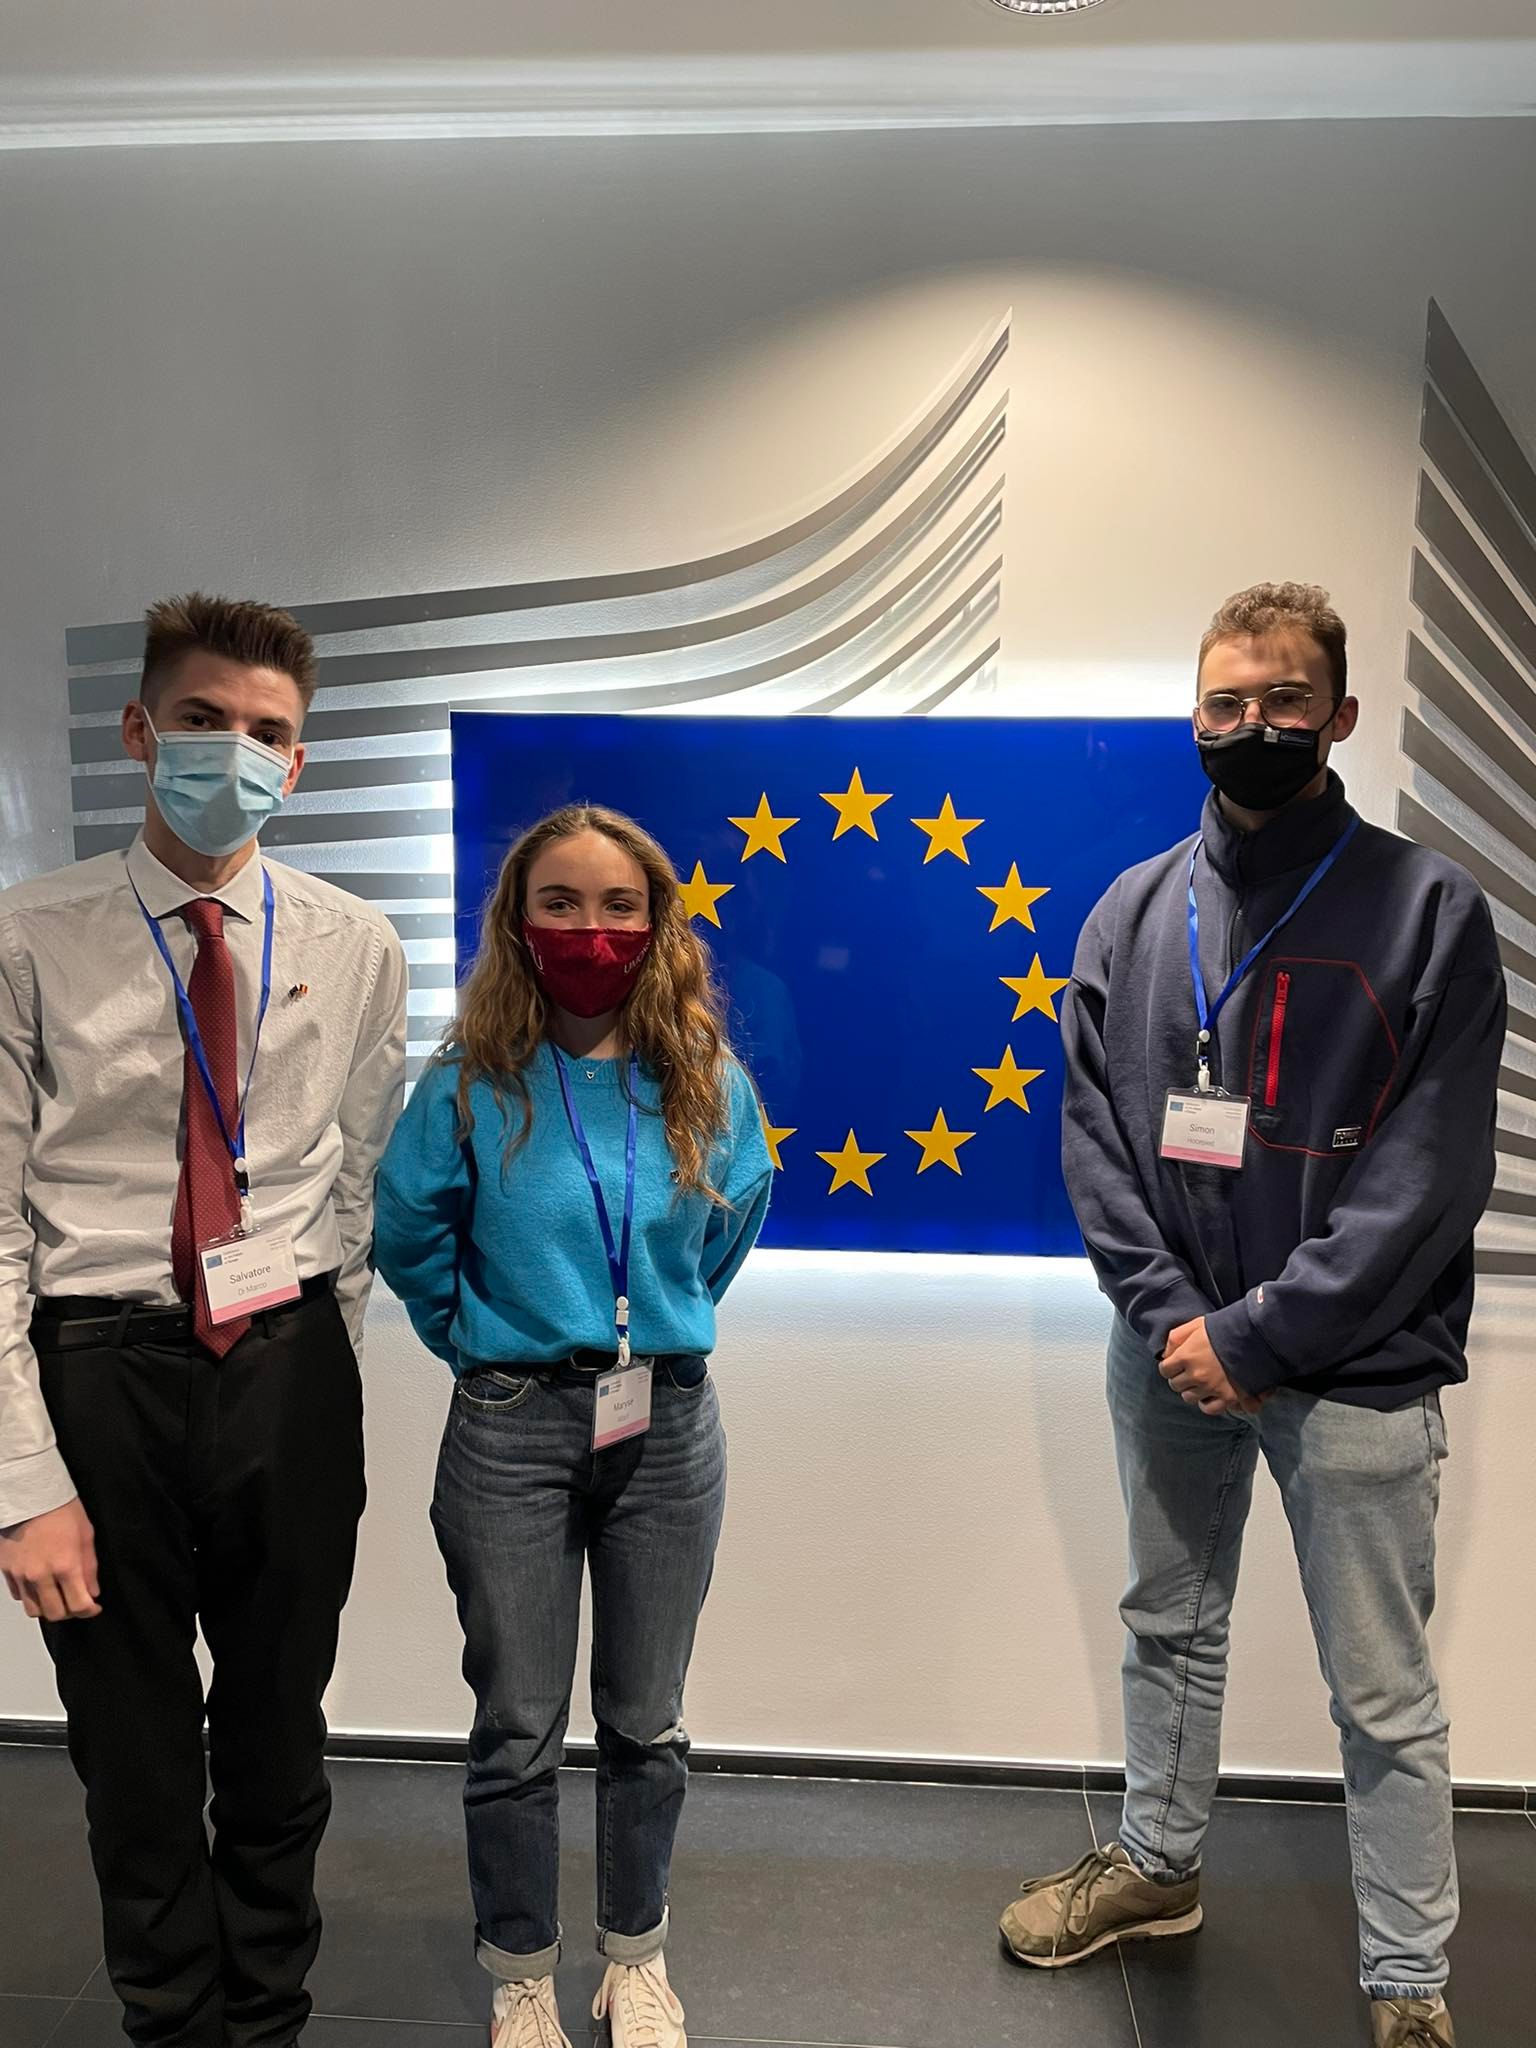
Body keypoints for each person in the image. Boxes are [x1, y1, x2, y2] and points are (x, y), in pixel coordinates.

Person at [998, 583, 1504, 2048]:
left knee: (1382, 1691)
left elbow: (1428, 1173)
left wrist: (1261, 1335)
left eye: (1285, 701)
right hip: (1169, 1351)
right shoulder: (1133, 909)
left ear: (1339, 716)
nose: (1253, 725)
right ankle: (1157, 1868)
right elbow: (1096, 1142)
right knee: (1167, 1622)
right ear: (1195, 716)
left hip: (1357, 1369)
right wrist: (1181, 1321)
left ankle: (1407, 1979)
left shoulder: (1431, 911)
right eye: (1226, 703)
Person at [0, 594, 408, 2048]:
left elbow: (356, 1178)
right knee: (137, 1756)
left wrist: (322, 1364)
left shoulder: (356, 942)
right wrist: (24, 1482)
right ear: (139, 730)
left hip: (286, 1364)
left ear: (297, 762)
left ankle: (268, 2016)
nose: (233, 752)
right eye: (201, 719)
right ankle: (174, 2025)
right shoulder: (27, 938)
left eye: (266, 732)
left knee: (282, 1735)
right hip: (98, 1369)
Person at [375, 802, 772, 2048]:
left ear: (656, 923)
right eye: (560, 902)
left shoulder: (704, 1076)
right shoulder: (469, 1079)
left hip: (667, 1423)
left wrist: (650, 1317)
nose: (589, 929)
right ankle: (521, 1969)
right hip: (509, 1428)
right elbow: (408, 1231)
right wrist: (484, 1341)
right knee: (516, 1726)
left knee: (649, 1719)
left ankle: (635, 1957)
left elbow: (732, 1224)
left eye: (617, 905)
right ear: (518, 919)